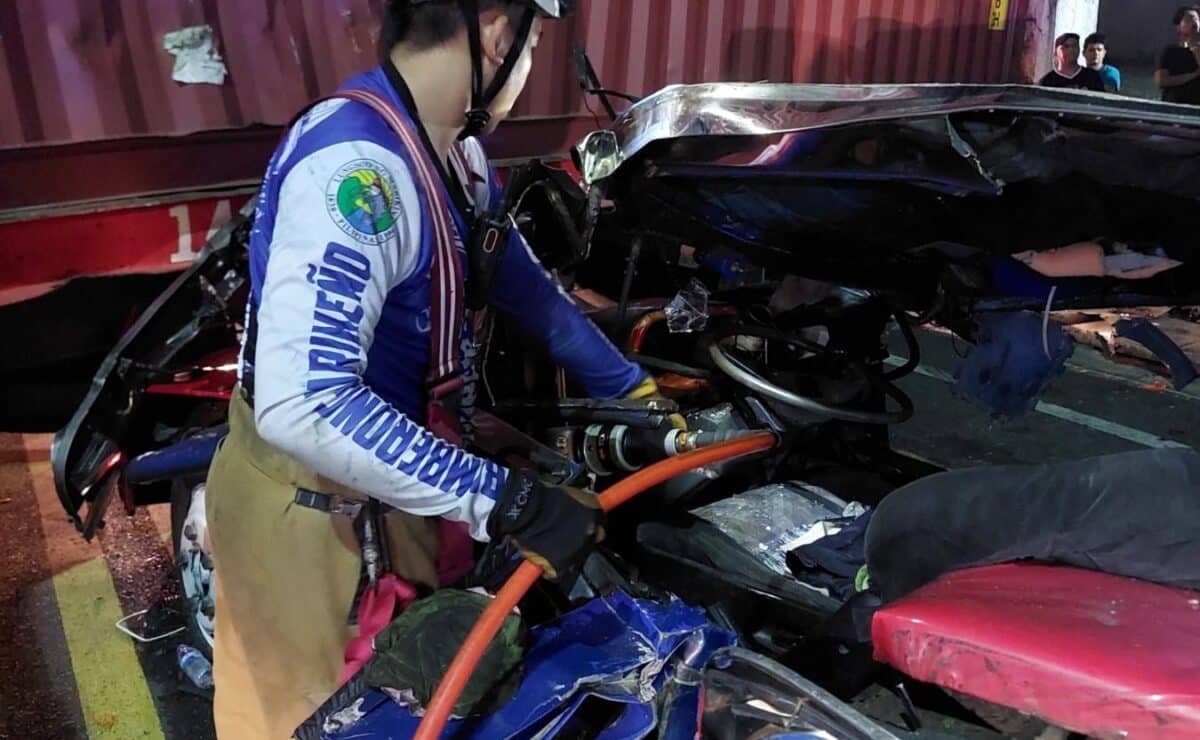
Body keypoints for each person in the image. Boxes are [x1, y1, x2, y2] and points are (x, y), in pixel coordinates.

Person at [204, 1, 673, 736]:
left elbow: (523, 286)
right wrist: (509, 501)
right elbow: (308, 405)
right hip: (314, 525)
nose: (528, 63)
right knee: (321, 724)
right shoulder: (358, 174)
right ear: (497, 31)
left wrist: (631, 390)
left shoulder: (453, 155)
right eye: (533, 43)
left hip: (387, 498)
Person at [1156, 6, 1200, 104]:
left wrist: (1194, 45)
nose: (1194, 23)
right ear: (1178, 26)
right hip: (1174, 105)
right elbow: (1161, 81)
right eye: (1189, 19)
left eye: (1196, 19)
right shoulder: (1170, 51)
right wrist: (1191, 76)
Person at [1039, 33, 1105, 91]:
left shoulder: (1092, 76)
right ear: (1056, 51)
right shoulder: (1048, 81)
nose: (1071, 49)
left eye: (1074, 46)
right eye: (1066, 46)